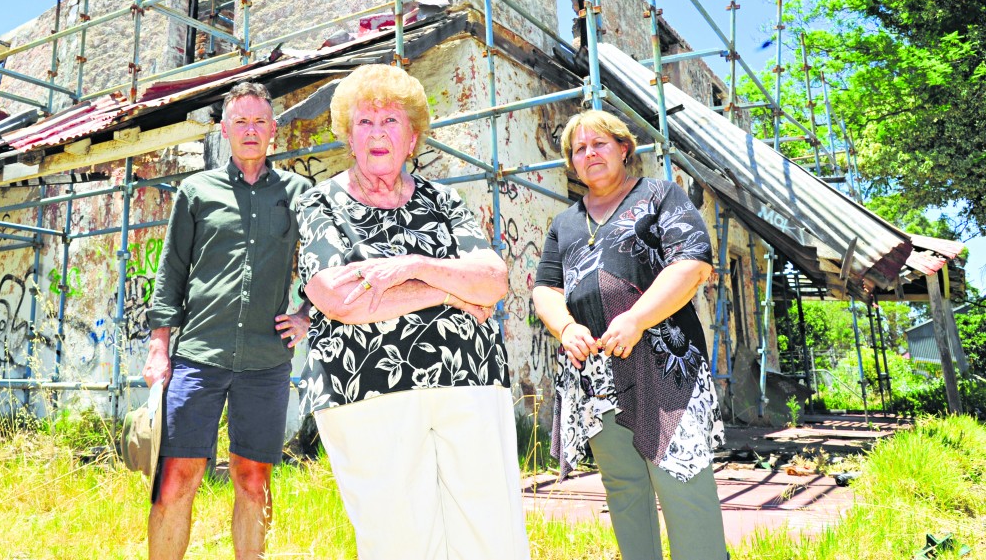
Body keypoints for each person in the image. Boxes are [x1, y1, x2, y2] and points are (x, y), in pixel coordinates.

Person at [294, 63, 530, 560]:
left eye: (391, 122)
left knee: (492, 533)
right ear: (349, 138)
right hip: (367, 391)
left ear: (413, 138)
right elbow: (339, 299)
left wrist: (410, 267)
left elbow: (493, 280)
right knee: (399, 540)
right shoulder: (322, 202)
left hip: (470, 382)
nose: (378, 133)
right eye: (364, 122)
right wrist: (448, 289)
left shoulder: (442, 201)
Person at [532, 109, 727, 560]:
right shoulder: (565, 223)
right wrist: (565, 327)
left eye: (598, 143)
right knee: (623, 487)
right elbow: (545, 288)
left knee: (682, 478)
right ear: (572, 164)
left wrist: (637, 318)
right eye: (579, 149)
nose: (589, 154)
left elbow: (693, 263)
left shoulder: (660, 195)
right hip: (595, 372)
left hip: (664, 363)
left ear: (623, 148)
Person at [144, 81, 311, 560]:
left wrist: (306, 315)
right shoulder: (196, 191)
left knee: (253, 481)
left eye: (260, 121)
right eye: (241, 121)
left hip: (265, 362)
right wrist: (159, 345)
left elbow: (326, 263)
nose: (251, 130)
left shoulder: (298, 193)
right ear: (224, 130)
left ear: (273, 130)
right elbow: (171, 271)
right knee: (176, 478)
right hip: (199, 356)